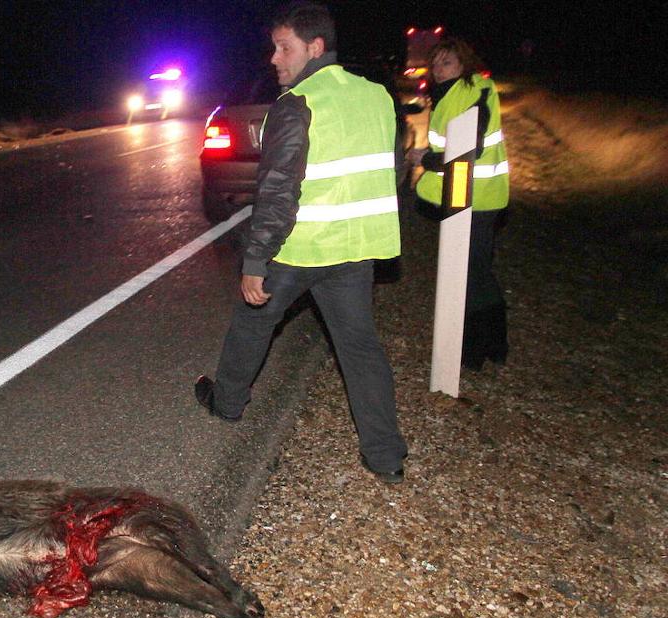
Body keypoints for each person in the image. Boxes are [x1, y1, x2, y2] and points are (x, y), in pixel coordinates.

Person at [194, 1, 409, 485]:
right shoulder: (376, 96)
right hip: (356, 249)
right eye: (273, 47)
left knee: (251, 324)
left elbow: (276, 192)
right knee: (360, 349)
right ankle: (386, 457)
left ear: (314, 48)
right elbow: (394, 170)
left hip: (299, 248)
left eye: (284, 47)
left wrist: (255, 258)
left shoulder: (296, 105)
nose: (274, 58)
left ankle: (226, 404)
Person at [411, 36, 510, 370]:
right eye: (435, 64)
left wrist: (426, 158)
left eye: (447, 63)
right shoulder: (450, 94)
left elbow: (468, 151)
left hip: (476, 198)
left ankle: (472, 350)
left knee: (469, 274)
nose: (439, 70)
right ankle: (495, 344)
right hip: (461, 196)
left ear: (463, 64)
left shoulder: (474, 91)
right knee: (477, 271)